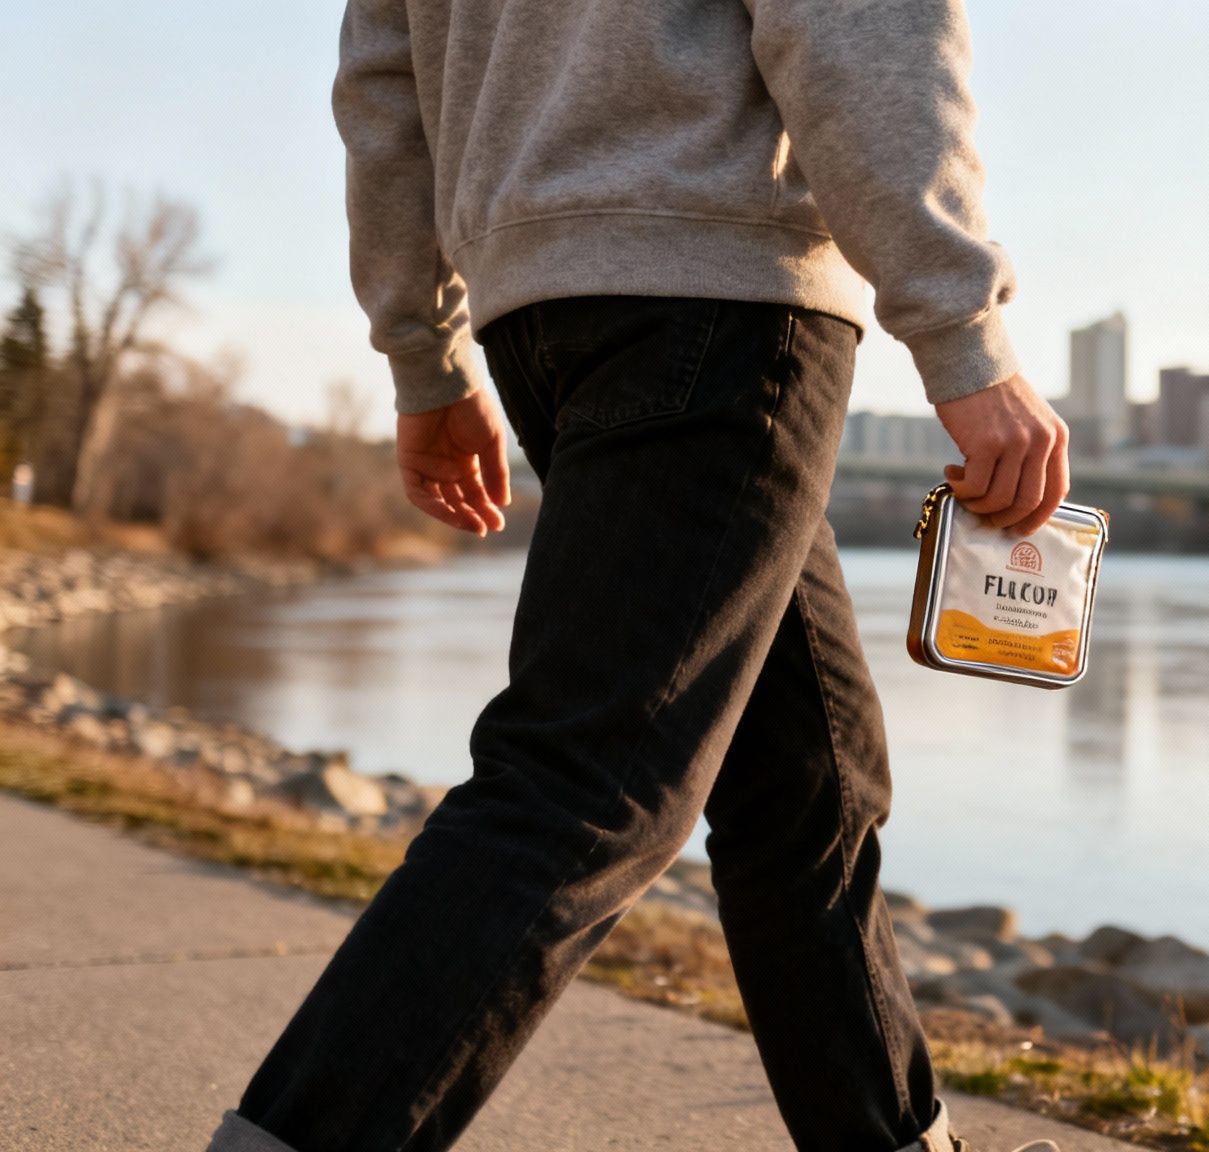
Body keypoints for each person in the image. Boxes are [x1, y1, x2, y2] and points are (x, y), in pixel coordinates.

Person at [206, 0, 1069, 1149]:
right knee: (589, 779)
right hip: (722, 284)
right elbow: (857, 23)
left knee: (805, 792)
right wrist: (960, 333)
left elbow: (383, 76)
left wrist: (424, 350)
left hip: (541, 308)